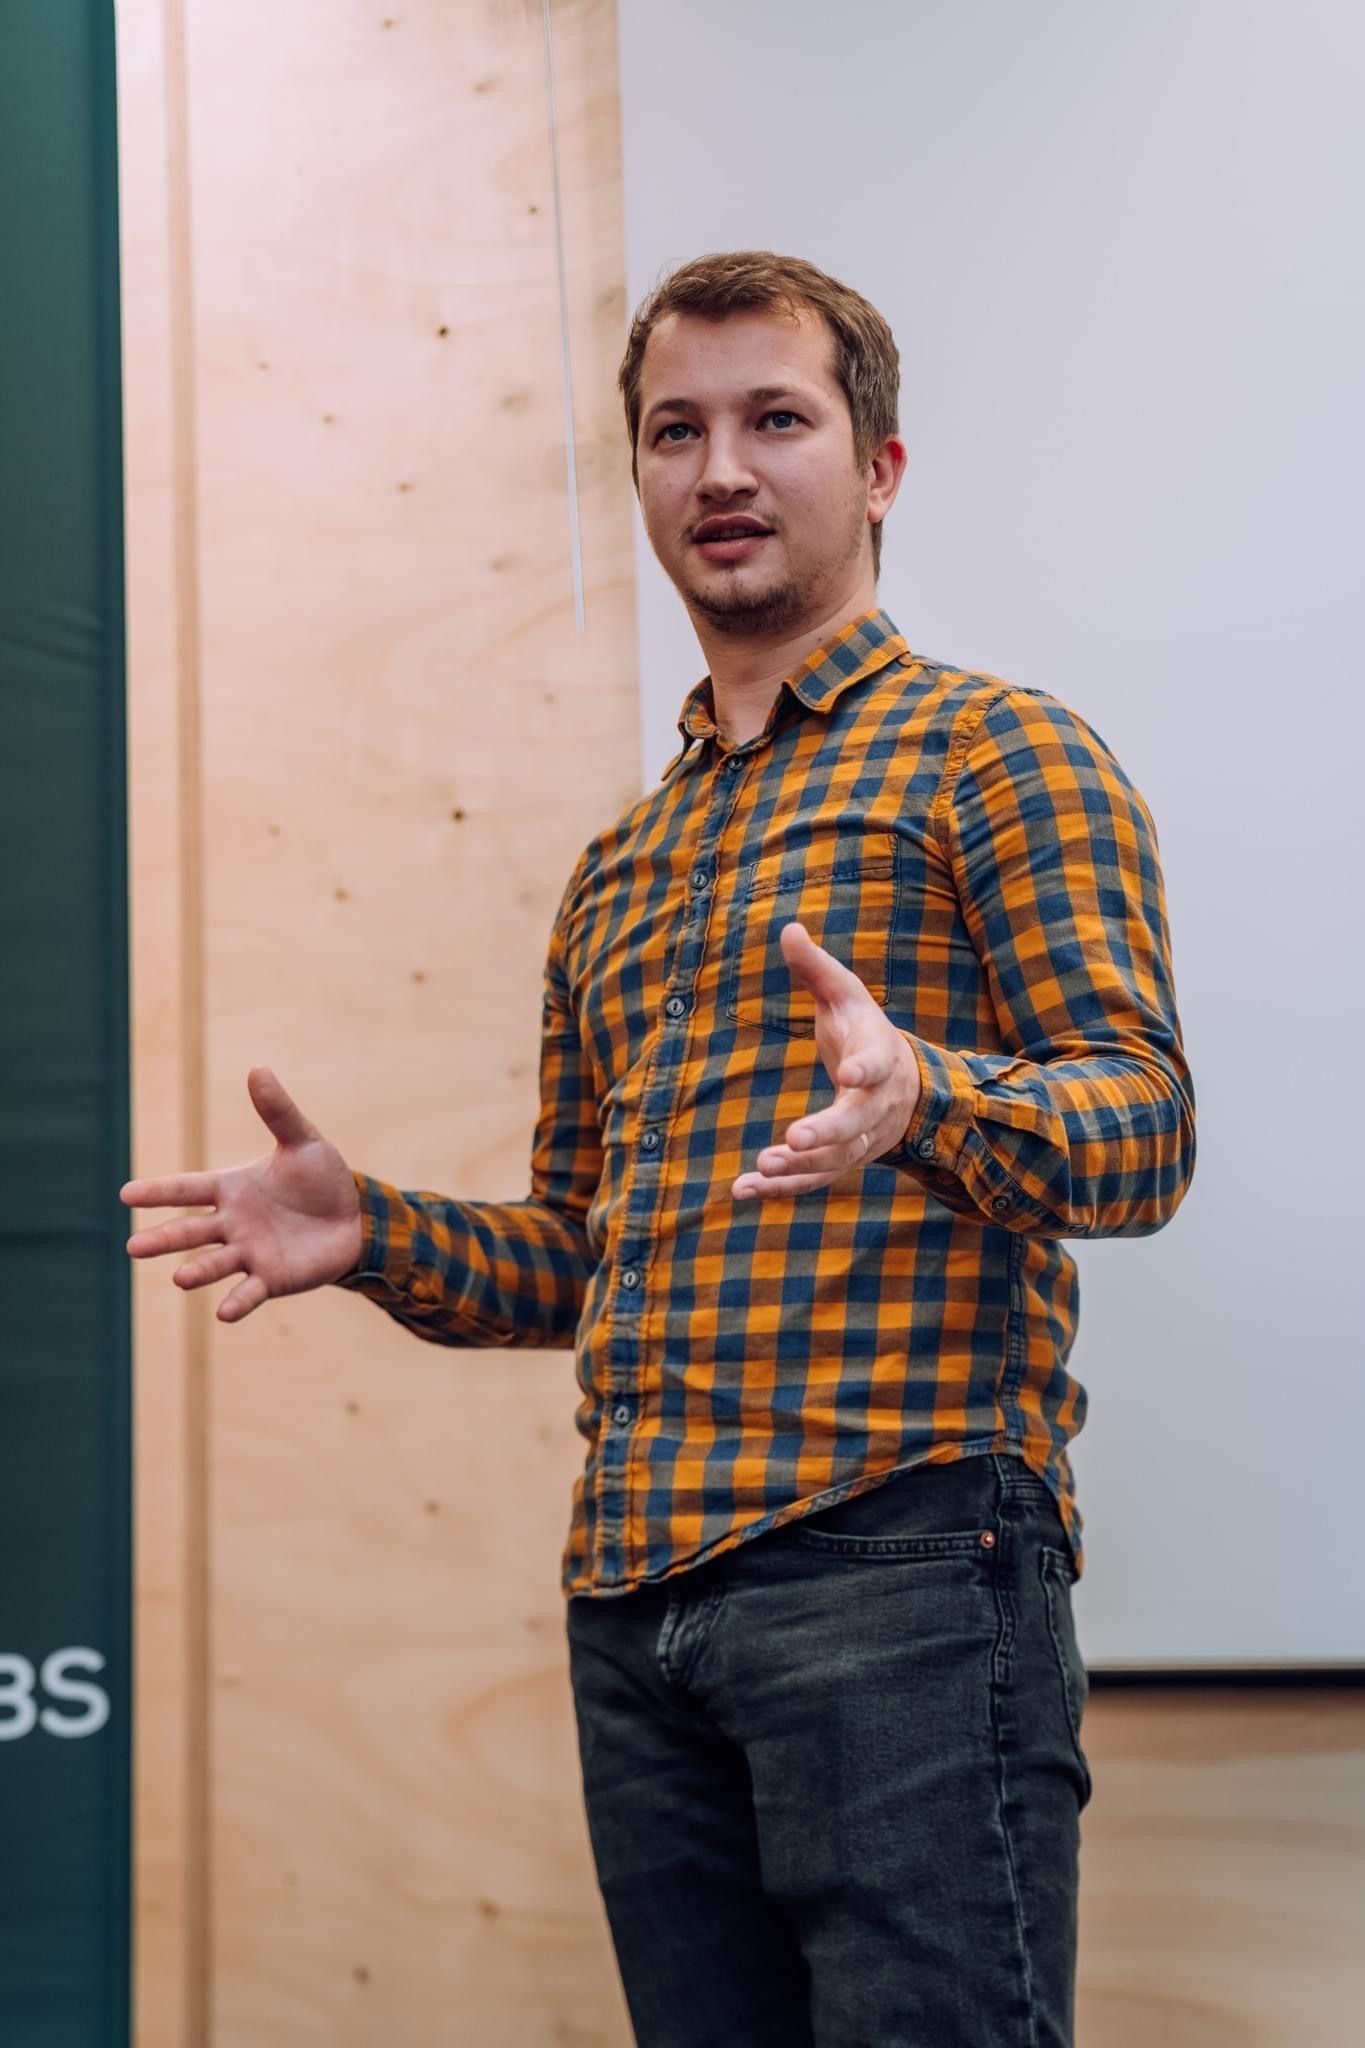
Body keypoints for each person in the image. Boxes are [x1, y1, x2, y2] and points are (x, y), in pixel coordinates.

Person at [122, 250, 1197, 2047]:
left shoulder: (997, 757)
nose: (721, 469)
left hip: (903, 1568)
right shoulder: (622, 870)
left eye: (776, 419)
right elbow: (582, 1248)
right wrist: (372, 1231)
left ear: (879, 468)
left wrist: (924, 1101)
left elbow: (1144, 1126)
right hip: (637, 1609)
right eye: (674, 431)